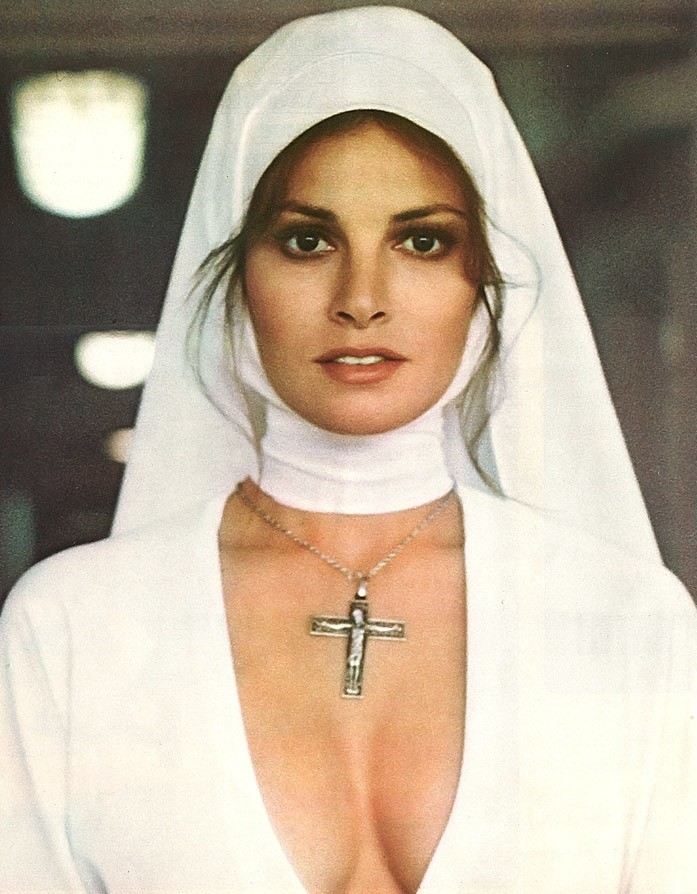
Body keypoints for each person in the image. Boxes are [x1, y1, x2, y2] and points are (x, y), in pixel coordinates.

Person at [1, 6, 695, 892]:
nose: (361, 297)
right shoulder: (74, 625)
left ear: (484, 281)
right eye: (307, 240)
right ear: (234, 276)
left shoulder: (625, 619)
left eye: (420, 240)